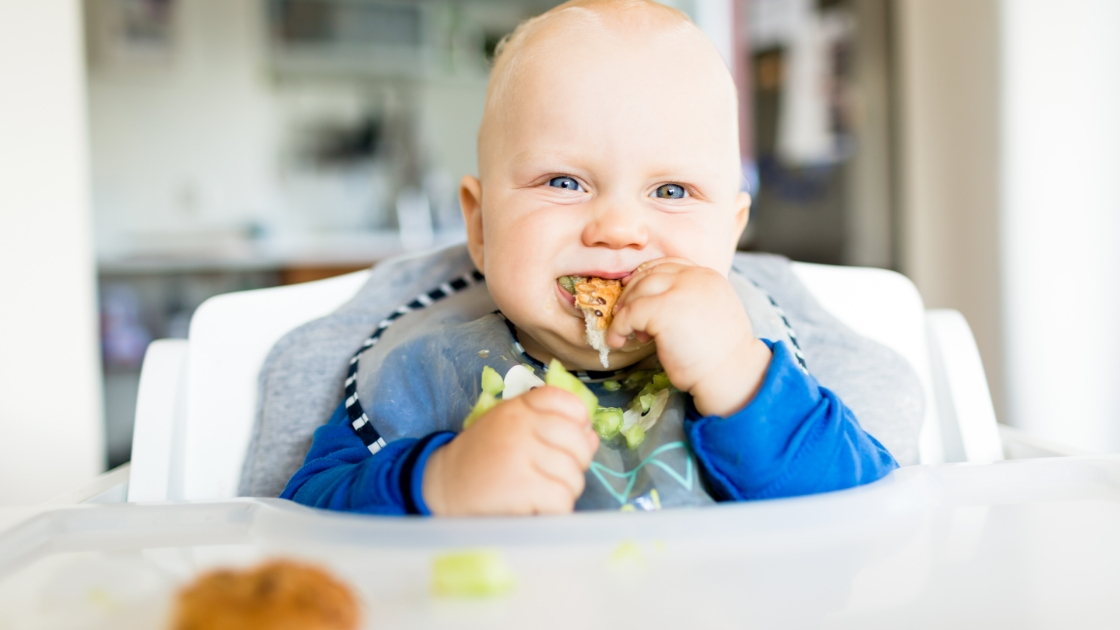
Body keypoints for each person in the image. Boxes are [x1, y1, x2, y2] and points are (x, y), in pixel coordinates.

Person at [278, 0, 899, 516]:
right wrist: (437, 481)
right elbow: (305, 514)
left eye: (672, 191)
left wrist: (739, 381)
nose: (620, 228)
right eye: (565, 182)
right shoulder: (426, 370)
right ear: (481, 226)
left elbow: (869, 512)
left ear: (730, 237)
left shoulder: (760, 366)